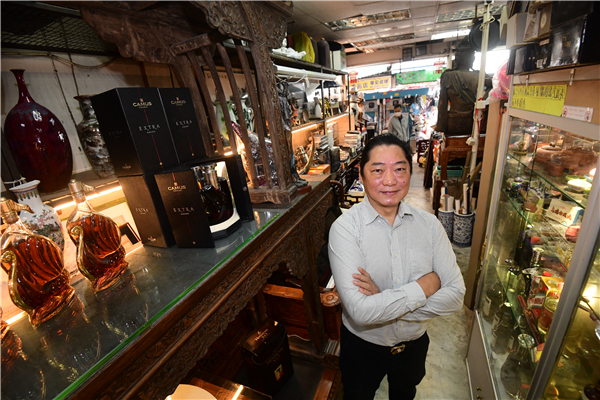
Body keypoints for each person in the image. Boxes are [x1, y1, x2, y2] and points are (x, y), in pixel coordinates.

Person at [328, 134, 466, 400]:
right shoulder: (345, 230)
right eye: (378, 170)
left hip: (413, 347)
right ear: (362, 175)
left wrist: (382, 299)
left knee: (405, 395)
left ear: (410, 173)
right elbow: (359, 312)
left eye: (400, 169)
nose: (390, 180)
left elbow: (455, 297)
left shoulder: (430, 226)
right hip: (363, 348)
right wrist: (423, 288)